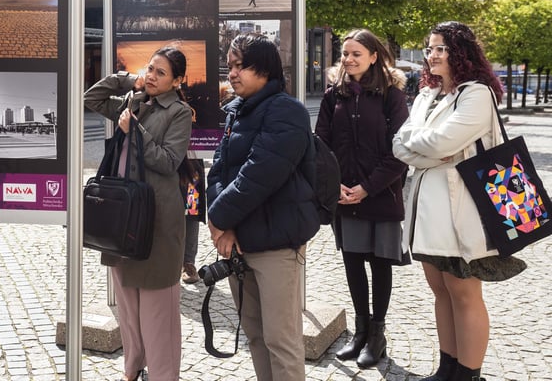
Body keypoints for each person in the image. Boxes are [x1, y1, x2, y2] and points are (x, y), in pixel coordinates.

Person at [392, 21, 526, 381]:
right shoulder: (427, 95)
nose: (431, 55)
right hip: (425, 215)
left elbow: (438, 143)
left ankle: (469, 373)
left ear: (460, 52)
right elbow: (400, 145)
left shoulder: (476, 93)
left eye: (440, 49)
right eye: (429, 49)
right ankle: (447, 367)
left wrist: (423, 149)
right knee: (441, 291)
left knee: (464, 294)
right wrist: (427, 152)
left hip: (461, 211)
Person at [206, 32, 319, 381]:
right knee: (255, 334)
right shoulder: (236, 111)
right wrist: (223, 226)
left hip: (276, 243)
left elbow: (259, 176)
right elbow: (219, 171)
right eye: (230, 66)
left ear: (265, 68)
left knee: (280, 340)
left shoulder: (287, 111)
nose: (233, 74)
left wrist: (218, 219)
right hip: (239, 241)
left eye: (241, 66)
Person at [84, 46, 193, 381]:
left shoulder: (179, 112)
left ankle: (163, 376)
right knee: (128, 309)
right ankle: (132, 369)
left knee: (158, 313)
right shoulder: (134, 101)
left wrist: (136, 132)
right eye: (150, 69)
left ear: (178, 80)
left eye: (161, 73)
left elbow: (168, 161)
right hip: (123, 219)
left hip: (158, 221)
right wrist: (129, 79)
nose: (152, 76)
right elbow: (92, 98)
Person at [314, 29, 410, 369]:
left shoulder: (391, 96)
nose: (349, 59)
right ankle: (360, 332)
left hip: (380, 195)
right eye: (345, 54)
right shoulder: (333, 95)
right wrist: (336, 183)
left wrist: (367, 187)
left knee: (380, 264)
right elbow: (320, 144)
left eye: (356, 53)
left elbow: (401, 151)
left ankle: (377, 336)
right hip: (344, 197)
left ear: (374, 56)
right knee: (353, 264)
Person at [179, 157, 206, 284]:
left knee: (192, 209)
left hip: (192, 162)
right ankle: (171, 263)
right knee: (165, 210)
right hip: (166, 157)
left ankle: (188, 263)